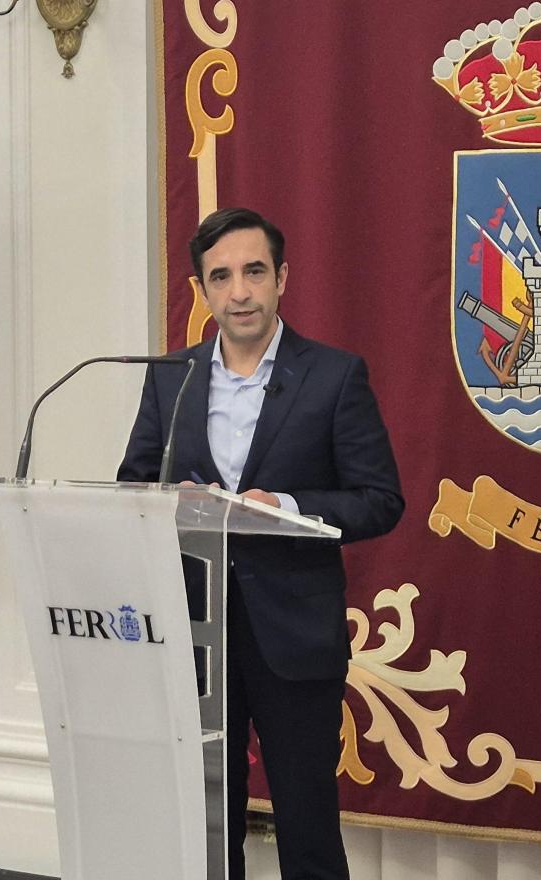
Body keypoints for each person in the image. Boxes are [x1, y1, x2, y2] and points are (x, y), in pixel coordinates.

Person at [118, 207, 403, 880]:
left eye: (253, 272)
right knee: (206, 821)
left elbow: (380, 499)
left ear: (282, 279)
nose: (239, 292)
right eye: (221, 277)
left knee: (306, 824)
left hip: (293, 635)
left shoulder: (334, 376)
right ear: (201, 290)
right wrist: (169, 501)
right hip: (195, 634)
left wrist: (288, 507)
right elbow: (133, 483)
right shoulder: (172, 376)